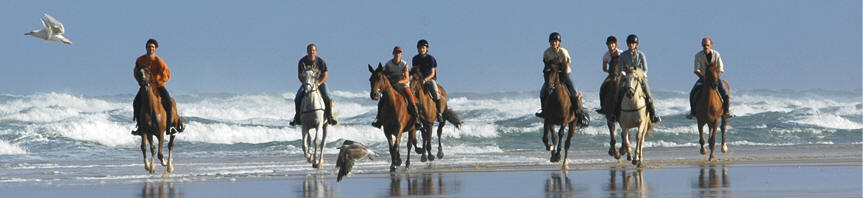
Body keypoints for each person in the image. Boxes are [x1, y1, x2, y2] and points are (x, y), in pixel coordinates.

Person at [133, 38, 177, 134]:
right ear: (146, 48)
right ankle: (140, 127)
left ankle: (170, 127)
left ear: (155, 49)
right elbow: (136, 73)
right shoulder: (140, 60)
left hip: (158, 86)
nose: (151, 48)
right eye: (149, 47)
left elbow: (167, 74)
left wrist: (157, 81)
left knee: (169, 103)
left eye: (152, 47)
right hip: (145, 86)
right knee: (136, 102)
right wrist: (140, 82)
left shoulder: (159, 61)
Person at [613, 34, 661, 123]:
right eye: (630, 43)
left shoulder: (641, 54)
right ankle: (615, 115)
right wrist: (622, 72)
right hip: (627, 77)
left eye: (633, 43)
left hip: (639, 77)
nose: (631, 45)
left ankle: (653, 115)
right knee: (618, 93)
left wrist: (642, 74)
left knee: (648, 95)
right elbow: (620, 68)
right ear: (628, 44)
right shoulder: (623, 55)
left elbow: (645, 68)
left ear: (636, 44)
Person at [371, 46, 422, 128]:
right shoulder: (388, 64)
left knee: (410, 98)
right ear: (393, 53)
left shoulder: (404, 64)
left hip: (403, 86)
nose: (397, 54)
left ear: (401, 54)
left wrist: (399, 82)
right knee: (382, 101)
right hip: (392, 86)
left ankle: (417, 119)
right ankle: (379, 120)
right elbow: (382, 73)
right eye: (396, 52)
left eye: (399, 53)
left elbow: (407, 79)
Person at [536, 32, 583, 118]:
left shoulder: (563, 52)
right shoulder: (547, 53)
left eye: (556, 41)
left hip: (565, 73)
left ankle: (577, 111)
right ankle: (543, 111)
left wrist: (562, 75)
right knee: (542, 92)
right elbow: (546, 65)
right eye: (552, 41)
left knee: (574, 91)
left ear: (559, 42)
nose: (554, 43)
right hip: (553, 75)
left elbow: (566, 64)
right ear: (550, 42)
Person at [290, 43, 338, 126]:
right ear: (307, 51)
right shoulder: (302, 62)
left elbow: (325, 75)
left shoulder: (320, 62)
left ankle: (330, 117)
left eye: (313, 50)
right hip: (307, 83)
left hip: (319, 83)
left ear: (316, 51)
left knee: (328, 96)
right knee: (297, 97)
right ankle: (297, 117)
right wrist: (305, 83)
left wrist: (318, 83)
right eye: (309, 50)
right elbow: (300, 75)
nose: (311, 52)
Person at [688, 37, 732, 119]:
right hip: (703, 78)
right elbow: (696, 70)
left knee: (725, 92)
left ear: (711, 45)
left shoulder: (716, 54)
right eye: (704, 45)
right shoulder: (698, 56)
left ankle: (726, 111)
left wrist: (716, 78)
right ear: (702, 45)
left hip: (715, 78)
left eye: (707, 45)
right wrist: (703, 78)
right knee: (692, 93)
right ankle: (693, 113)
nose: (706, 47)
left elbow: (721, 68)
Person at [411, 39, 443, 118]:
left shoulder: (430, 59)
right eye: (420, 48)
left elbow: (432, 73)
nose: (421, 50)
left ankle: (439, 113)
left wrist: (425, 80)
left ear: (427, 49)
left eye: (423, 48)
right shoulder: (415, 59)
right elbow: (414, 71)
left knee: (435, 92)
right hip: (418, 79)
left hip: (429, 79)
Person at [597, 35, 622, 114]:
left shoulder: (621, 53)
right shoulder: (606, 55)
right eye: (609, 44)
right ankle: (602, 107)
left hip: (621, 74)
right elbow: (604, 68)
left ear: (616, 44)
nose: (611, 45)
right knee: (602, 87)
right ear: (607, 44)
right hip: (611, 75)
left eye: (613, 44)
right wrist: (609, 71)